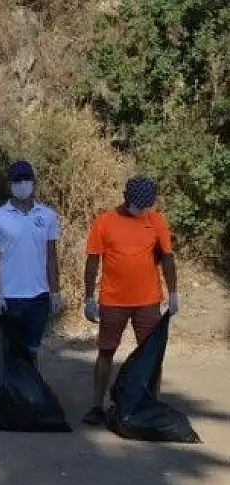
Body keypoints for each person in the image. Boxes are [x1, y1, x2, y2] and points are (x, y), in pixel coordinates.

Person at [82, 176, 179, 426]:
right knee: (106, 351)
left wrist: (174, 293)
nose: (144, 210)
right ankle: (97, 405)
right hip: (113, 300)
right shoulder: (105, 222)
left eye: (148, 205)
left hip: (147, 301)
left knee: (151, 354)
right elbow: (93, 261)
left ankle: (151, 403)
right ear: (127, 199)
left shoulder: (155, 221)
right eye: (140, 205)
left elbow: (167, 258)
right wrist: (89, 298)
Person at [0, 160, 62, 366]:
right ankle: (6, 397)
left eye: (26, 179)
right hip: (9, 298)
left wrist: (55, 292)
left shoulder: (48, 216)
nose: (22, 184)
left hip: (38, 298)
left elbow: (51, 256)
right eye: (17, 180)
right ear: (10, 184)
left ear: (33, 182)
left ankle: (30, 395)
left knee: (32, 352)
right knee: (5, 354)